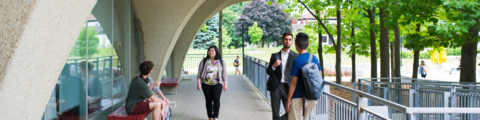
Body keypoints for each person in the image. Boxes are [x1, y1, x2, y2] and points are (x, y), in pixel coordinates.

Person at [286, 33, 321, 120]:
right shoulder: (314, 58)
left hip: (298, 98)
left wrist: (289, 99)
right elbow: (320, 76)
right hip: (311, 97)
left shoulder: (297, 61)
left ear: (295, 45)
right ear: (308, 45)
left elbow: (293, 83)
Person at [266, 32, 299, 120]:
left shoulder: (296, 56)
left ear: (292, 42)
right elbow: (268, 72)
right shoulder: (274, 56)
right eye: (286, 39)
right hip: (276, 87)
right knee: (275, 113)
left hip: (288, 87)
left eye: (289, 40)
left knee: (290, 113)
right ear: (282, 41)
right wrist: (273, 66)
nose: (287, 41)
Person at [197, 46, 228, 120]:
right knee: (208, 100)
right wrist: (198, 84)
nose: (211, 52)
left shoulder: (221, 61)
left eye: (213, 51)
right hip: (206, 84)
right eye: (210, 51)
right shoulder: (204, 61)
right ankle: (210, 116)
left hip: (217, 83)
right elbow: (199, 73)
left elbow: (224, 74)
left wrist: (225, 84)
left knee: (216, 99)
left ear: (216, 52)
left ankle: (216, 116)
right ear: (208, 52)